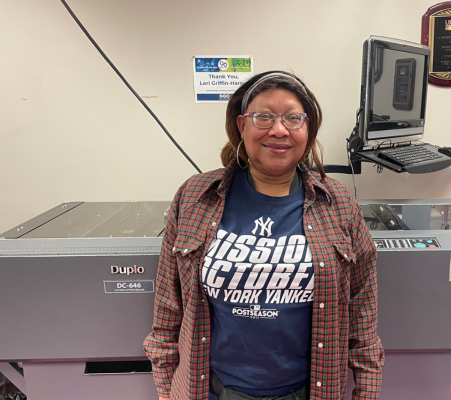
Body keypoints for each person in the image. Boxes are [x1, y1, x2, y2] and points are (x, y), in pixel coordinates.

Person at [144, 71, 384, 400]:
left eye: (293, 118)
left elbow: (363, 319)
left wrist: (366, 393)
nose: (279, 129)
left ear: (308, 129)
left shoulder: (339, 205)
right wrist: (165, 388)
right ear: (242, 126)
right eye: (264, 117)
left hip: (308, 392)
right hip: (211, 390)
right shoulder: (195, 196)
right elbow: (166, 310)